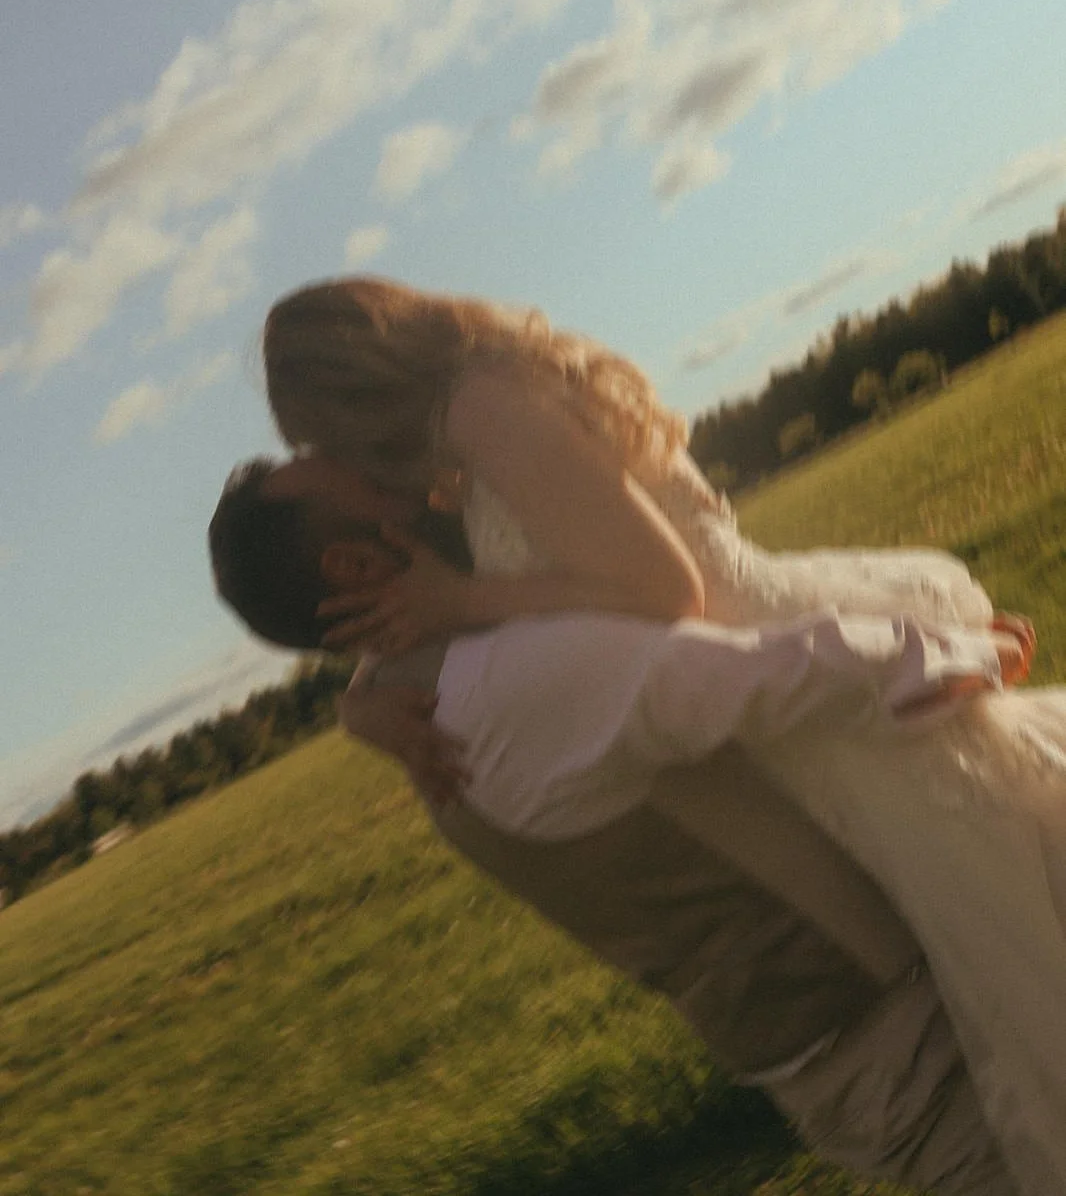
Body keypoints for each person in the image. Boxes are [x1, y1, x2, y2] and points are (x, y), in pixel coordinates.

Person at [257, 277, 1066, 1191]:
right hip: (761, 689)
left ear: (345, 382)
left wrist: (467, 600)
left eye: (314, 432)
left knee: (1012, 936)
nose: (328, 454)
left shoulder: (481, 409)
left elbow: (665, 594)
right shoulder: (453, 443)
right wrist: (359, 706)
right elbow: (420, 619)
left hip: (769, 664)